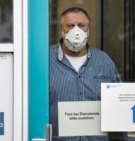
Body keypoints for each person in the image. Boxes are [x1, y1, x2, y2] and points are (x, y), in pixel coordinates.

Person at [49, 7, 121, 141]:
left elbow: (120, 105)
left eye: (81, 25)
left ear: (88, 29)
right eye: (70, 26)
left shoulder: (104, 61)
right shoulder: (46, 61)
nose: (76, 31)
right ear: (61, 29)